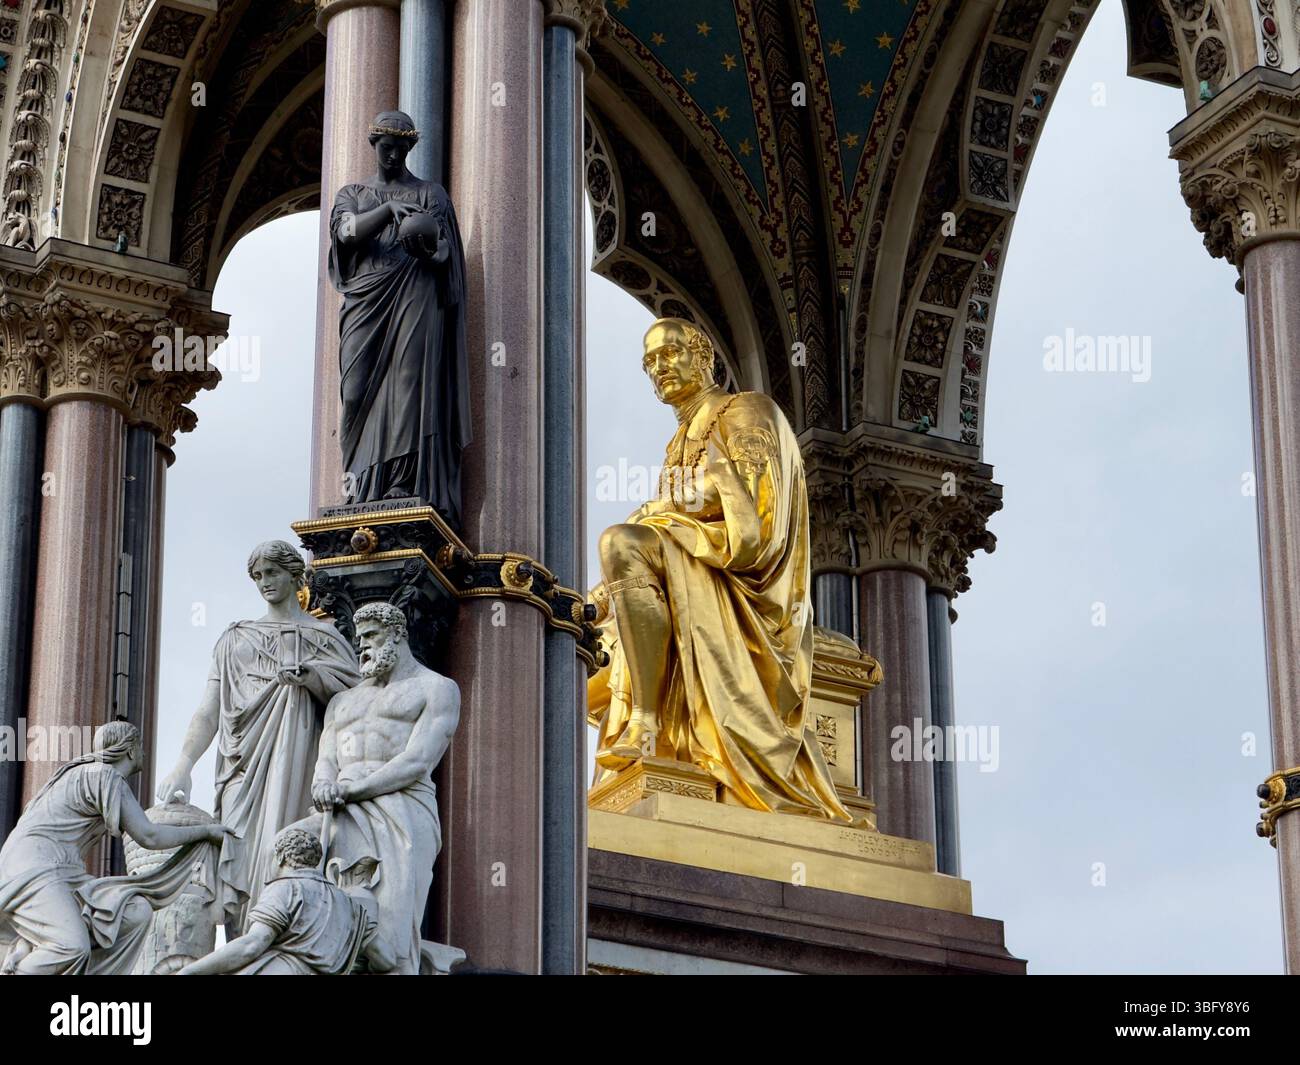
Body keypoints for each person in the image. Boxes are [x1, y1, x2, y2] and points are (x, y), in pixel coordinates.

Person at [588, 318, 852, 821]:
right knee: (581, 662)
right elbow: (675, 517)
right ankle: (652, 746)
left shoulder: (746, 411)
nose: (658, 369)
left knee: (621, 541)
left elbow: (753, 521)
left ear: (704, 356)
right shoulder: (680, 441)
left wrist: (658, 515)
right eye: (649, 362)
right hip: (698, 570)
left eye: (670, 354)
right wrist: (598, 597)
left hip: (742, 588)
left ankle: (646, 723)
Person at [156, 541, 359, 934]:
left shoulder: (326, 638)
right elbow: (208, 711)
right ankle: (241, 951)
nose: (265, 582)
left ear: (295, 574)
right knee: (240, 857)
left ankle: (287, 947)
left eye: (273, 573)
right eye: (257, 576)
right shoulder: (235, 639)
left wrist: (312, 678)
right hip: (241, 768)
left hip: (298, 764)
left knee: (287, 852)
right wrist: (183, 764)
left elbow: (354, 704)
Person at [329, 109, 471, 524]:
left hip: (416, 293)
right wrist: (388, 209)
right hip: (365, 299)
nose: (393, 155)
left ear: (410, 148)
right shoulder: (352, 194)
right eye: (386, 147)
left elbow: (447, 254)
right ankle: (358, 482)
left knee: (410, 384)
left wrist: (428, 249)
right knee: (354, 392)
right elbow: (346, 233)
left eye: (401, 148)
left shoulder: (431, 195)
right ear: (374, 146)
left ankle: (401, 482)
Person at [302, 602, 459, 975]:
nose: (364, 647)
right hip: (339, 815)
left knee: (391, 927)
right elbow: (326, 757)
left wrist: (356, 790)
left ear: (398, 634)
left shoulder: (436, 688)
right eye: (360, 640)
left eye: (371, 636)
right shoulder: (343, 701)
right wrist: (323, 783)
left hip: (400, 810)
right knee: (333, 922)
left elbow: (419, 760)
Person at [0, 720, 228, 975]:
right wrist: (205, 831)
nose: (144, 753)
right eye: (140, 746)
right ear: (130, 750)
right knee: (71, 947)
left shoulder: (81, 774)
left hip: (60, 871)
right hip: (39, 865)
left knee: (136, 912)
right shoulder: (102, 774)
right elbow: (149, 836)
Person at [177, 827, 393, 975]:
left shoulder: (286, 888)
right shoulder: (352, 906)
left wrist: (191, 970)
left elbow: (251, 946)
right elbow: (386, 960)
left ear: (280, 857)